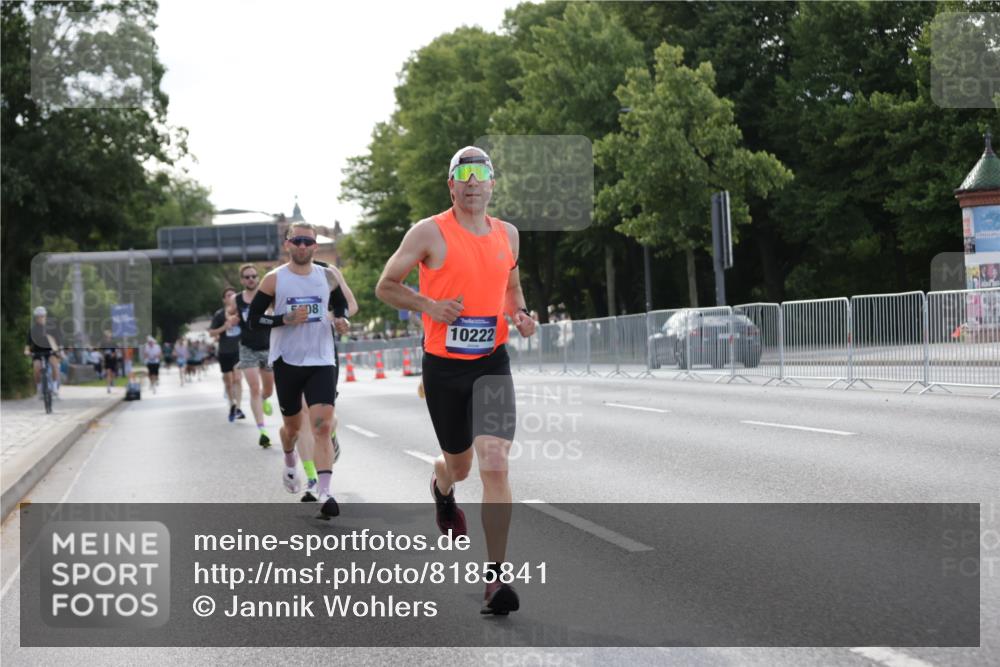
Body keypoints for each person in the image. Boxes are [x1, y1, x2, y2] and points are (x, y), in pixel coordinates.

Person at [375, 146, 536, 615]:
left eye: (480, 172)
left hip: (491, 360)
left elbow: (510, 288)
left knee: (496, 463)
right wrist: (429, 307)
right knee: (460, 467)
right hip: (444, 366)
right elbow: (386, 284)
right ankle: (442, 487)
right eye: (462, 173)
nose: (471, 181)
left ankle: (496, 579)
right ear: (451, 185)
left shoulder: (508, 234)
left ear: (492, 182)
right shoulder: (429, 232)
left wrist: (520, 316)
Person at [247, 221, 355, 519]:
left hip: (321, 360)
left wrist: (342, 320)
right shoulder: (274, 279)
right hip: (287, 362)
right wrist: (284, 318)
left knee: (321, 425)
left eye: (308, 242)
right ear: (287, 245)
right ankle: (290, 458)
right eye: (297, 241)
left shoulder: (328, 276)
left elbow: (342, 306)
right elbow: (254, 320)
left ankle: (325, 491)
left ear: (315, 246)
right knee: (293, 429)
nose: (303, 246)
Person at [235, 264, 277, 447]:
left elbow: (278, 314)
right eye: (247, 277)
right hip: (247, 348)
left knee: (267, 390)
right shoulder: (236, 299)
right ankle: (262, 431)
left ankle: (265, 399)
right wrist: (231, 319)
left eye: (253, 276)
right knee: (253, 388)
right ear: (241, 280)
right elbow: (231, 314)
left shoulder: (268, 297)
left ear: (258, 278)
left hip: (267, 347)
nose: (251, 279)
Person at [210, 288, 246, 422]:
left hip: (239, 350)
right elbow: (211, 333)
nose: (231, 297)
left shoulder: (241, 312)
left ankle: (239, 407)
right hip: (224, 352)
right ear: (224, 300)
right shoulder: (219, 315)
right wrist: (224, 328)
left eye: (233, 295)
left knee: (237, 378)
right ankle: (232, 403)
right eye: (228, 295)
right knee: (228, 381)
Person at [24, 306, 61, 399]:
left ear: (45, 316)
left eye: (42, 316)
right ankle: (39, 388)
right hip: (37, 352)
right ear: (35, 318)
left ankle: (55, 387)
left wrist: (57, 351)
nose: (40, 318)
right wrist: (27, 351)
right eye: (38, 316)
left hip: (49, 351)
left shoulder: (51, 328)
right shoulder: (32, 330)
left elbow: (56, 342)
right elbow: (27, 344)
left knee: (54, 365)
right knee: (36, 368)